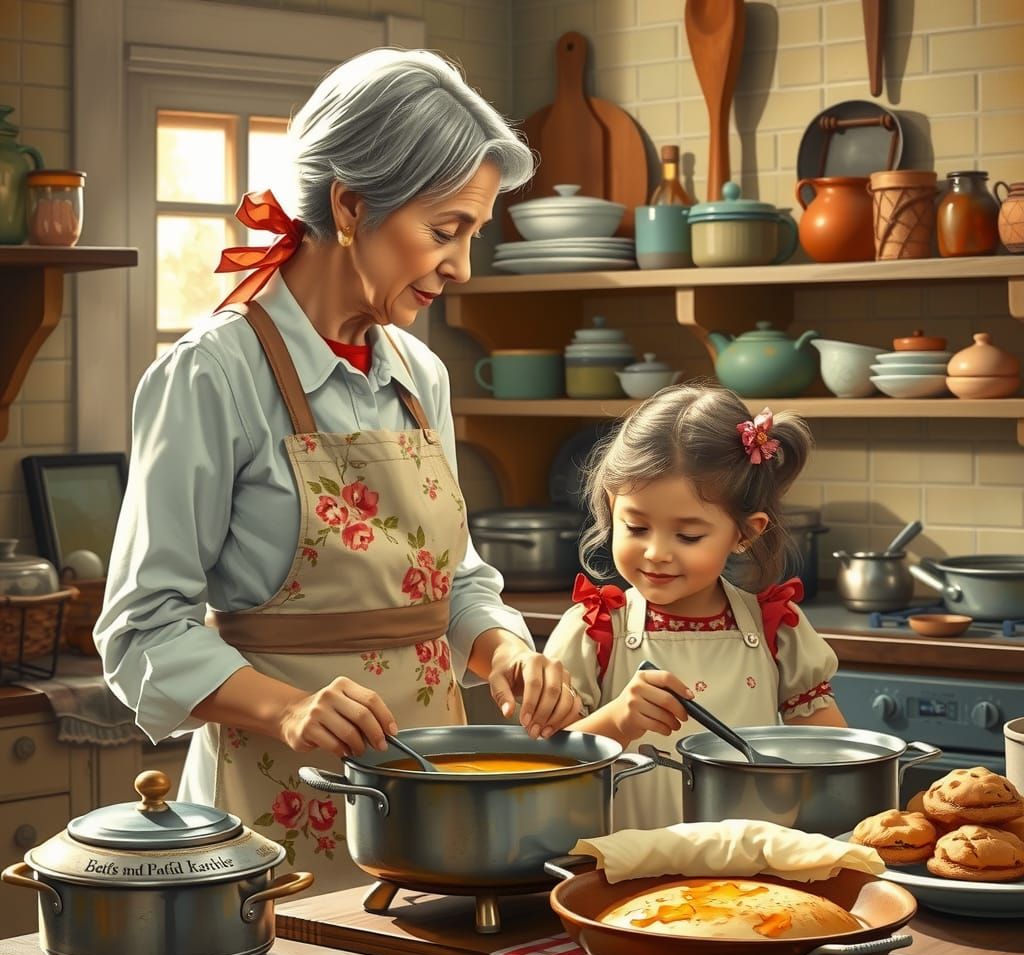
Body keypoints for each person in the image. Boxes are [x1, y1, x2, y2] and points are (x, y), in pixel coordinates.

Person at [95, 48, 582, 890]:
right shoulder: (212, 373)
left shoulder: (420, 374)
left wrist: (505, 652)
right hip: (273, 808)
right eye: (445, 230)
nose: (462, 267)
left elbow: (451, 583)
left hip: (436, 817)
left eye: (474, 234)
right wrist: (288, 708)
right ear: (351, 206)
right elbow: (142, 632)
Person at [545, 384, 848, 830]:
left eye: (687, 536)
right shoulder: (593, 629)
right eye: (636, 526)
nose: (656, 553)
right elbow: (548, 766)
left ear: (746, 532)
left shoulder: (776, 628)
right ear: (612, 507)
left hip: (753, 879)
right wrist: (617, 720)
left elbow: (834, 755)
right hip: (629, 879)